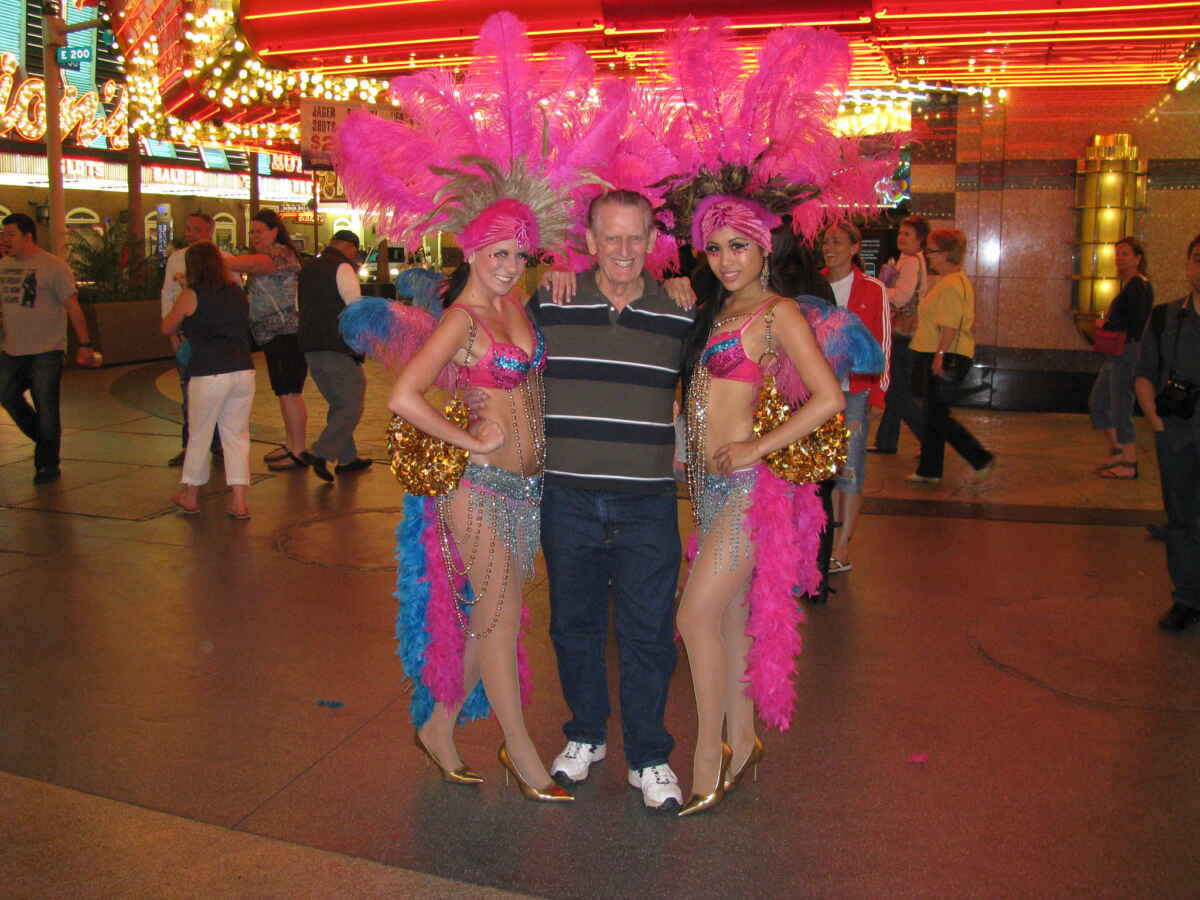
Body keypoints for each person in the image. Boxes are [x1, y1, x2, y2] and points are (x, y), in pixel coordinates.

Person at [673, 195, 844, 818]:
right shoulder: (716, 309)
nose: (725, 261)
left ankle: (707, 759)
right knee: (726, 622)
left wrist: (756, 447)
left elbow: (827, 397)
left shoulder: (779, 313)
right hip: (709, 487)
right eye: (714, 249)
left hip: (749, 490)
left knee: (694, 619)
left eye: (738, 246)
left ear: (765, 248)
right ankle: (743, 743)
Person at [530, 190, 695, 810]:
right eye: (611, 237)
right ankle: (586, 734)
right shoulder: (552, 300)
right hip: (567, 496)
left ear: (653, 242)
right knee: (573, 626)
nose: (624, 251)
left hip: (647, 501)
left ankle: (650, 755)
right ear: (590, 241)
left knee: (649, 633)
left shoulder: (681, 311)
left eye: (636, 238)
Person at [1134, 233, 1200, 632]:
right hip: (1176, 434)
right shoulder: (1166, 317)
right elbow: (1144, 374)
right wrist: (1158, 424)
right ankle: (1187, 598)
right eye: (1197, 258)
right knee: (1180, 519)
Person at [0, 212, 95, 484]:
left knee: (47, 407)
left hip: (47, 350)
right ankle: (45, 440)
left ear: (28, 237)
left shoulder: (53, 267)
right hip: (12, 350)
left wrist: (84, 344)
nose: (5, 240)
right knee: (6, 395)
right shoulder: (4, 266)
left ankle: (47, 464)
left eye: (10, 235)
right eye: (3, 234)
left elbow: (72, 306)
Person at [162, 242, 255, 518]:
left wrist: (182, 297)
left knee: (200, 433)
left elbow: (166, 326)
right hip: (242, 370)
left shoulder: (192, 295)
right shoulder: (237, 293)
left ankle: (190, 495)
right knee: (237, 436)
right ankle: (239, 502)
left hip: (208, 372)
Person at [820, 221, 890, 573]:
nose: (829, 248)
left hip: (856, 391)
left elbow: (882, 345)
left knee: (850, 471)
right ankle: (823, 542)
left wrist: (877, 398)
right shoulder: (815, 284)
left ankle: (842, 546)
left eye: (837, 242)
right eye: (825, 242)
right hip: (820, 392)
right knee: (824, 470)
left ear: (854, 248)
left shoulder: (872, 289)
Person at [908, 229, 995, 485]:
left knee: (936, 416)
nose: (928, 256)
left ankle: (980, 458)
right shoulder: (951, 281)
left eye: (932, 251)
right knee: (934, 413)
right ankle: (929, 469)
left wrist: (939, 356)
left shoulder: (951, 285)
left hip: (946, 353)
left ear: (945, 254)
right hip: (940, 351)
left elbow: (950, 325)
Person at [228, 210, 307, 471]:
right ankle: (293, 444)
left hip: (287, 334)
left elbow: (245, 264)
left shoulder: (279, 255)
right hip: (275, 336)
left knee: (289, 393)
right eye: (252, 232)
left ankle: (298, 450)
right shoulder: (274, 254)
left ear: (275, 231)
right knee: (284, 392)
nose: (254, 236)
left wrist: (207, 257)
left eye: (259, 231)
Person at [296, 229, 371, 482]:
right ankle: (320, 451)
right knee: (352, 403)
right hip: (337, 347)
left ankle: (347, 459)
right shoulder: (343, 267)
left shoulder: (308, 268)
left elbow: (299, 308)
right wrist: (363, 343)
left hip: (311, 347)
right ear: (349, 247)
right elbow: (355, 309)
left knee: (340, 403)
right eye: (355, 252)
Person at [161, 211, 224, 467]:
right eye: (188, 228)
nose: (190, 234)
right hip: (187, 337)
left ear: (209, 231)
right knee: (189, 394)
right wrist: (173, 335)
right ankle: (190, 446)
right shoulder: (176, 260)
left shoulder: (223, 260)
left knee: (219, 394)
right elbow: (167, 294)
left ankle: (218, 442)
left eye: (196, 229)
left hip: (216, 340)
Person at [1090, 236, 1154, 480]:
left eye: (1125, 253)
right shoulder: (1129, 284)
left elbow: (1136, 322)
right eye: (1117, 253)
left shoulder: (1139, 285)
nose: (1119, 258)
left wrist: (1106, 323)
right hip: (1118, 352)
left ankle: (1129, 462)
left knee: (1120, 405)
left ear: (1138, 258)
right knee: (1098, 402)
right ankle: (1117, 450)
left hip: (1127, 351)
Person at [872, 215, 928, 454]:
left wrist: (881, 286)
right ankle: (886, 441)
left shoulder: (913, 261)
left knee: (896, 391)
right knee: (896, 389)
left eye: (908, 234)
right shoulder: (907, 259)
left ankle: (929, 435)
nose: (902, 237)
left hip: (903, 331)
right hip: (902, 330)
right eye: (901, 232)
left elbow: (903, 296)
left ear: (920, 240)